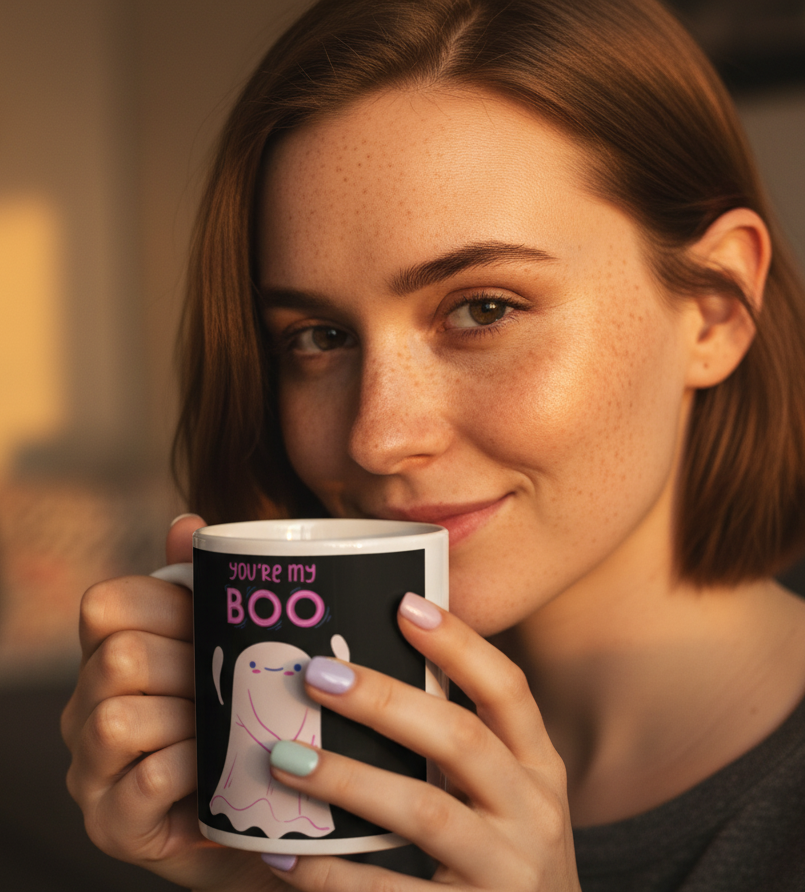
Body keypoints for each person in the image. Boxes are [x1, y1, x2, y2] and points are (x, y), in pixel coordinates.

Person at [61, 0, 805, 889]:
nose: (377, 438)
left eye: (483, 309)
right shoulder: (316, 771)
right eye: (319, 337)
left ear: (715, 310)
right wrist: (250, 875)